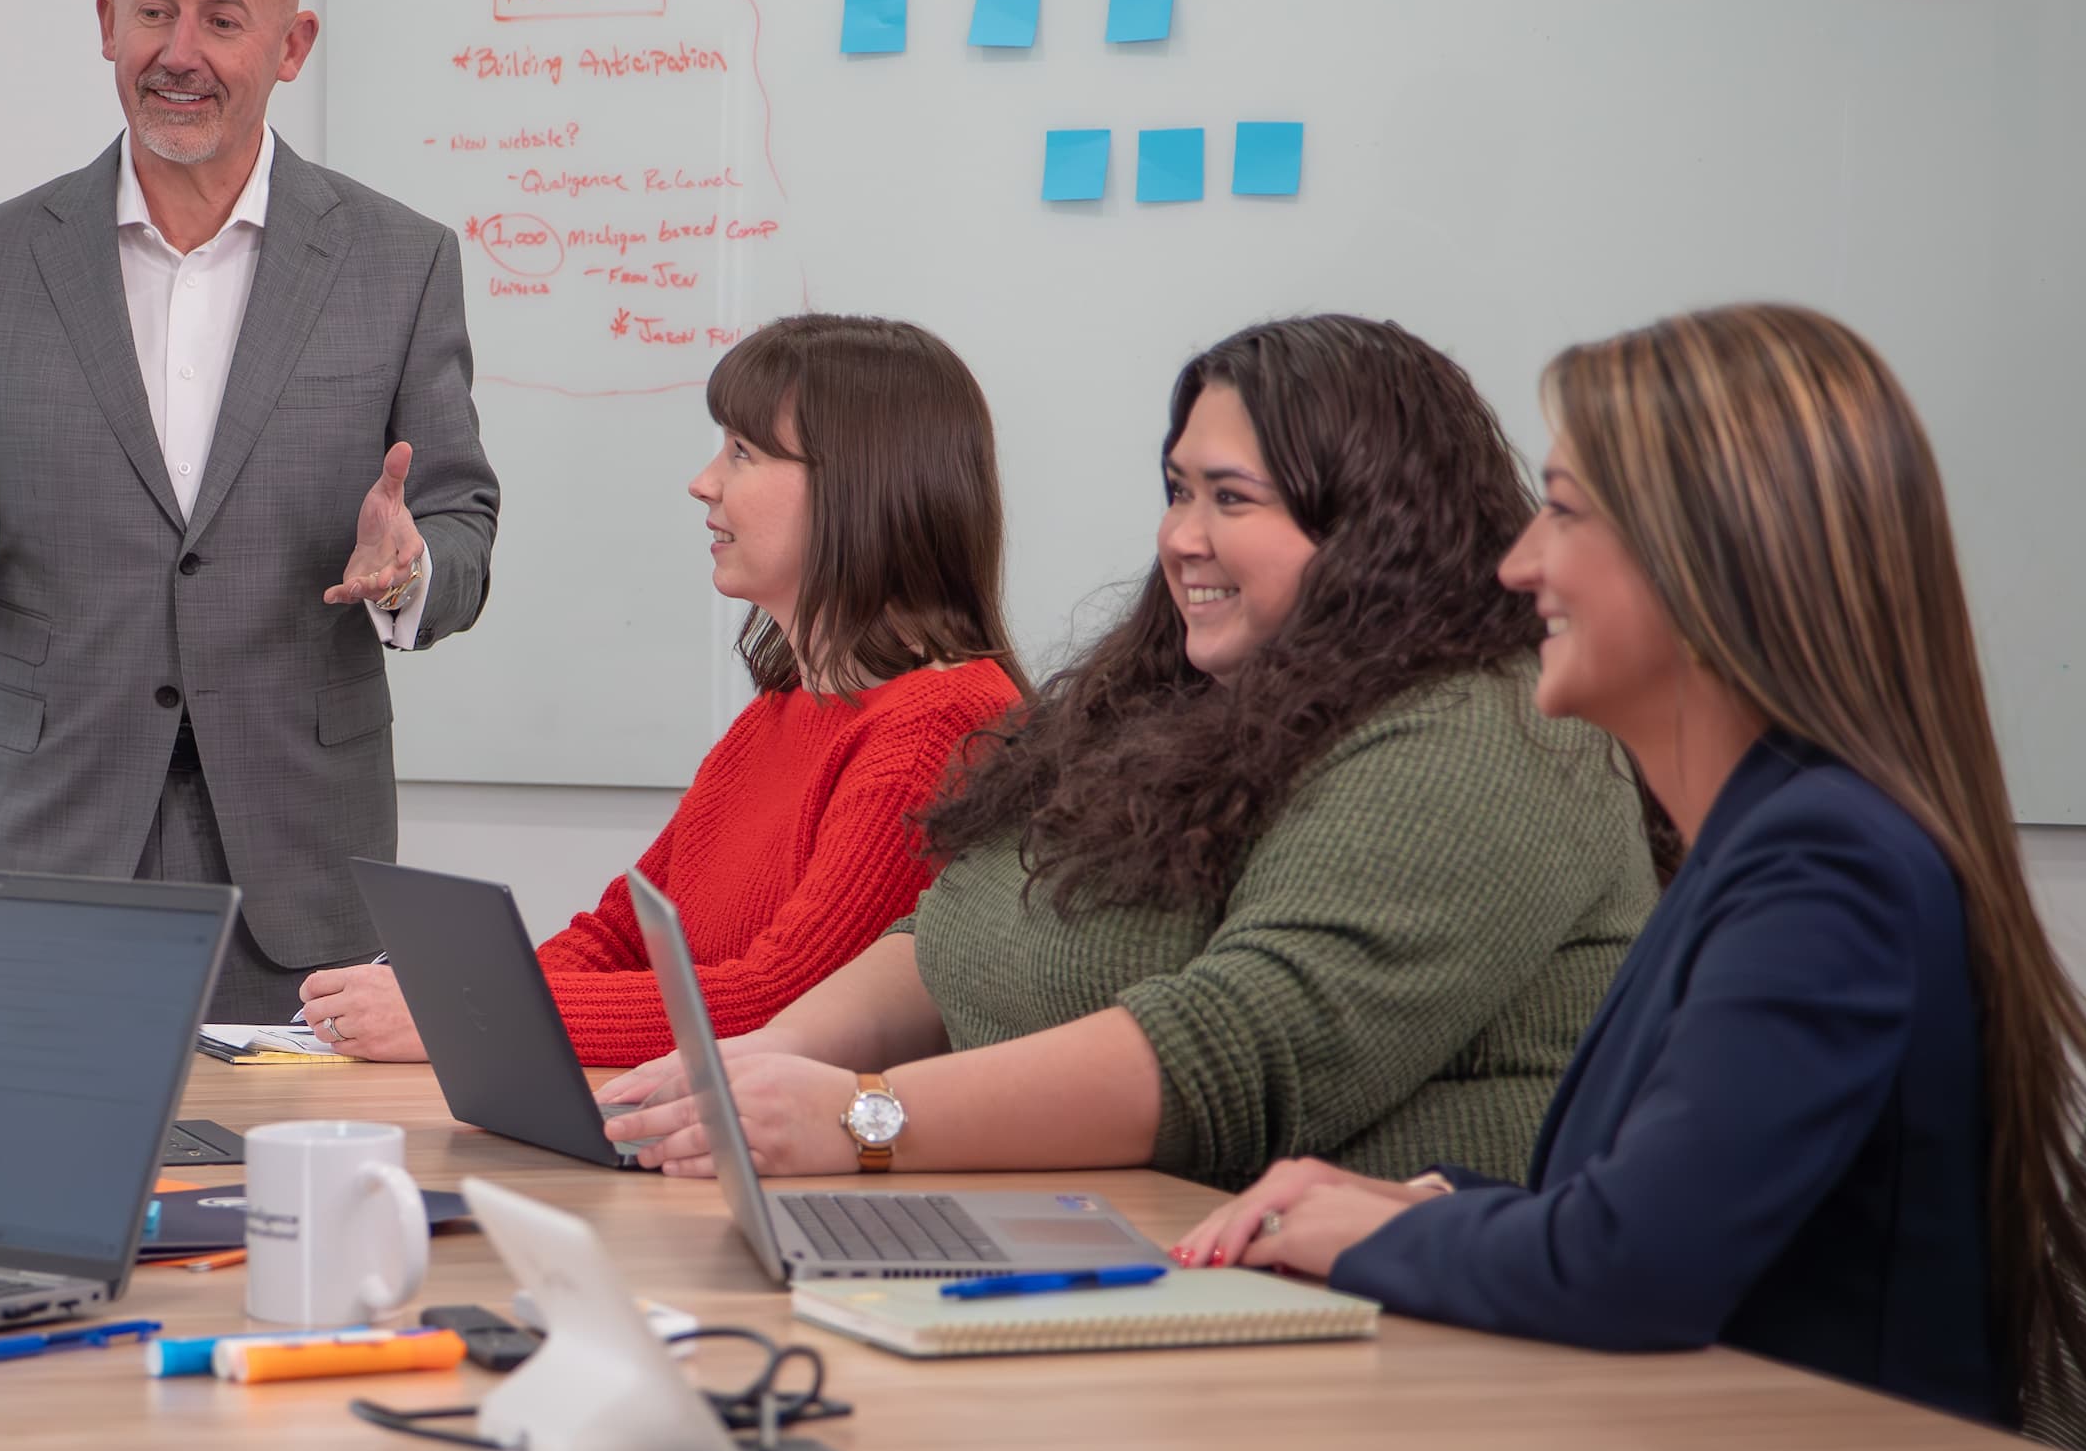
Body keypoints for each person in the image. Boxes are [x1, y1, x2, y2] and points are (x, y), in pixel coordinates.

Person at [1178, 305, 2086, 1425]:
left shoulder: (1829, 868)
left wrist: (1385, 1231)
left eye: (1565, 515)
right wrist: (1425, 1200)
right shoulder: (1762, 841)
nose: (1517, 563)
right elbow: (1639, 1212)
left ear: (1717, 565)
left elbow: (1633, 1264)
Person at [601, 314, 1654, 1187]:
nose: (1183, 536)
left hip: (1404, 1326)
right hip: (1126, 1242)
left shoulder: (1486, 731)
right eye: (1178, 489)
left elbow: (1236, 1052)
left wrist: (868, 1119)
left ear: (1376, 526)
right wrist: (767, 1059)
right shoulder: (1188, 691)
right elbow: (949, 927)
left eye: (1232, 498)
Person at [0, 0, 501, 1017]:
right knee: (45, 1178)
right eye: (154, 12)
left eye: (224, 19)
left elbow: (461, 522)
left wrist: (409, 567)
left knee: (283, 1188)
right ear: (106, 22)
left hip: (303, 860)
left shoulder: (398, 261)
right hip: (56, 847)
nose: (180, 51)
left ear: (292, 44)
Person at [292, 314, 1021, 1067]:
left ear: (862, 484)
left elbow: (780, 1006)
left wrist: (468, 1010)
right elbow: (622, 937)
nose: (703, 481)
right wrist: (455, 993)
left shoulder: (944, 725)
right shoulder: (787, 708)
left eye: (743, 452)